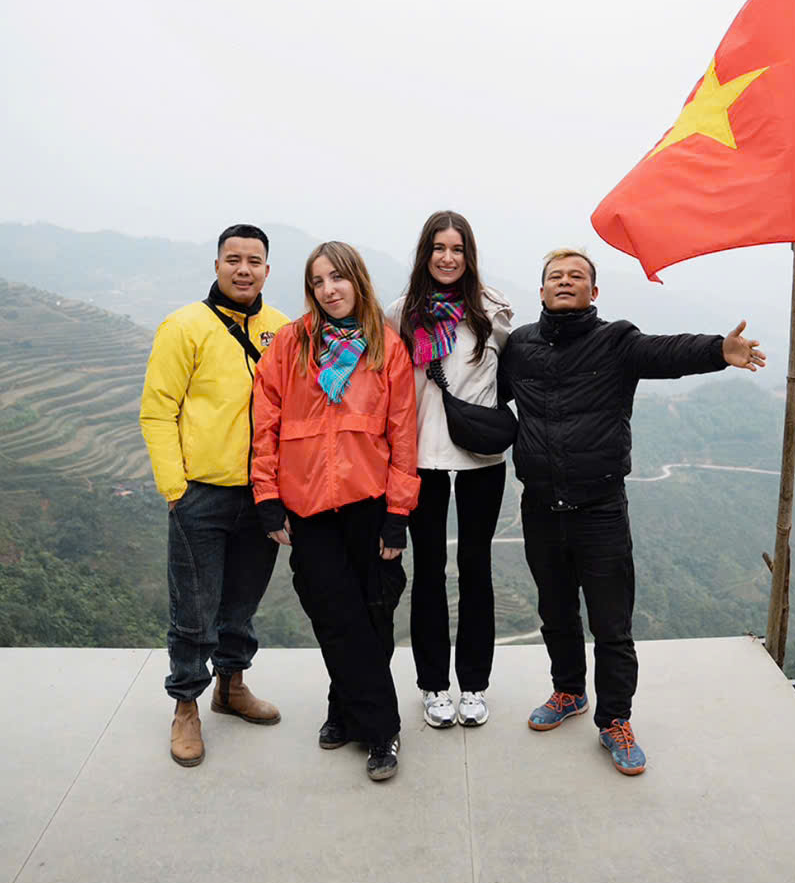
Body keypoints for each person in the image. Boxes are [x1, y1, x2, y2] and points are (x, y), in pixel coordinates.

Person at [498, 246, 765, 776]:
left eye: (577, 276)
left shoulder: (615, 341)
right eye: (556, 276)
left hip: (600, 509)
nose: (566, 281)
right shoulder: (521, 346)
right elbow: (482, 391)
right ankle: (569, 692)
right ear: (542, 291)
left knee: (612, 624)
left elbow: (667, 353)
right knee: (555, 611)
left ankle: (614, 719)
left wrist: (718, 349)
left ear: (594, 292)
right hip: (540, 507)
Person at [251, 241, 419, 782]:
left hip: (369, 501)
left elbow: (401, 434)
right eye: (319, 281)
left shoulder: (385, 348)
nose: (329, 289)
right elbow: (266, 422)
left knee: (372, 610)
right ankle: (381, 726)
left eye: (338, 278)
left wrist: (399, 511)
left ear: (357, 281)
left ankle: (348, 714)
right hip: (307, 504)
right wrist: (267, 495)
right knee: (331, 609)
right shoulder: (291, 345)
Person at [140, 223, 290, 769]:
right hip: (200, 495)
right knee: (193, 611)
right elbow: (158, 409)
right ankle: (186, 706)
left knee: (242, 604)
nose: (243, 269)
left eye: (254, 260)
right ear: (218, 265)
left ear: (268, 271)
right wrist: (175, 488)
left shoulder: (283, 330)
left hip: (264, 495)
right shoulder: (184, 326)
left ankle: (231, 686)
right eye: (234, 259)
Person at [387, 212, 513, 731]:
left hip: (482, 460)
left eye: (457, 249)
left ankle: (475, 684)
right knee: (429, 573)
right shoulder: (400, 313)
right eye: (438, 247)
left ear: (469, 255)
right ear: (425, 253)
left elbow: (516, 372)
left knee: (478, 570)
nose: (447, 257)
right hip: (424, 458)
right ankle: (434, 685)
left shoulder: (493, 311)